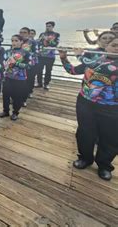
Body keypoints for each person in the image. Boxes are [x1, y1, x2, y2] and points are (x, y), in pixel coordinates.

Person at [58, 36, 118, 181]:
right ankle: (85, 158)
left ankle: (104, 165)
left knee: (110, 136)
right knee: (85, 132)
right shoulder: (96, 60)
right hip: (86, 103)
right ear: (107, 47)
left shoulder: (94, 61)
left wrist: (81, 55)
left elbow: (106, 69)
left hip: (112, 107)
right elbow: (72, 70)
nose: (117, 48)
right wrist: (63, 58)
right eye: (114, 45)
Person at [0, 35, 30, 120]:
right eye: (12, 40)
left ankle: (15, 112)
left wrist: (16, 63)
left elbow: (29, 66)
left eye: (16, 41)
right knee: (5, 95)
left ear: (21, 42)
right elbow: (3, 62)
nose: (14, 43)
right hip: (7, 76)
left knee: (17, 96)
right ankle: (6, 111)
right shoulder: (7, 51)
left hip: (20, 78)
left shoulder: (26, 53)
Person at [37, 21, 60, 90]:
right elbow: (38, 43)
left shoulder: (56, 34)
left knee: (48, 71)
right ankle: (39, 83)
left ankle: (46, 84)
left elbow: (55, 44)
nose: (47, 27)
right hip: (41, 55)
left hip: (50, 56)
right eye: (47, 26)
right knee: (39, 70)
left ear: (53, 27)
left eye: (49, 26)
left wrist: (47, 40)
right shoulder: (42, 34)